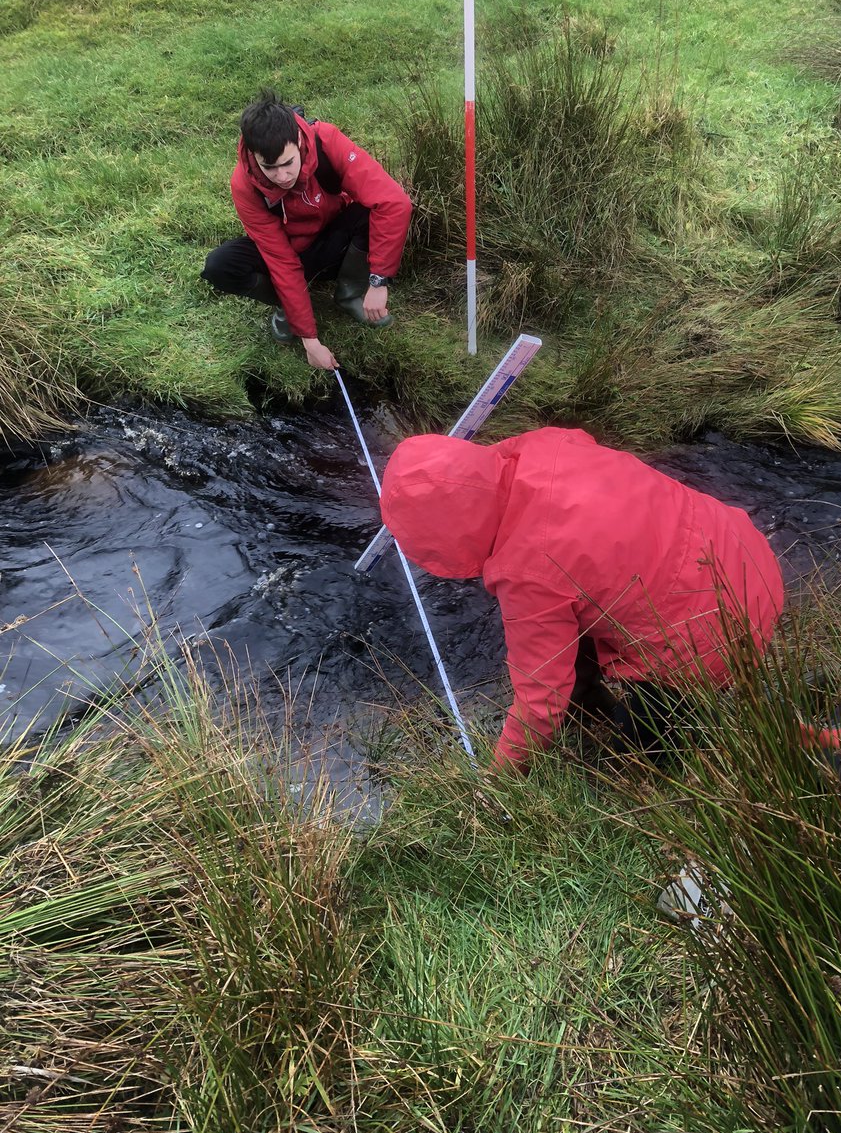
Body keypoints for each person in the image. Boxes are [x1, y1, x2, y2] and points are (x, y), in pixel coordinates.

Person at [379, 427, 785, 773]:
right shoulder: (543, 445)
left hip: (710, 636)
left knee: (646, 747)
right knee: (577, 606)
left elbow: (540, 697)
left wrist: (501, 777)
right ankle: (585, 702)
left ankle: (652, 772)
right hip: (740, 553)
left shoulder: (528, 570)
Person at [202, 91, 412, 370]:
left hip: (332, 240)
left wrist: (378, 281)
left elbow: (394, 202)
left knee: (368, 211)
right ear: (253, 155)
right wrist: (310, 340)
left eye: (288, 163)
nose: (282, 176)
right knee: (221, 264)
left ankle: (350, 294)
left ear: (299, 141)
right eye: (270, 167)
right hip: (288, 249)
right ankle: (286, 304)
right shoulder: (244, 184)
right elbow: (280, 259)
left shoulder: (326, 140)